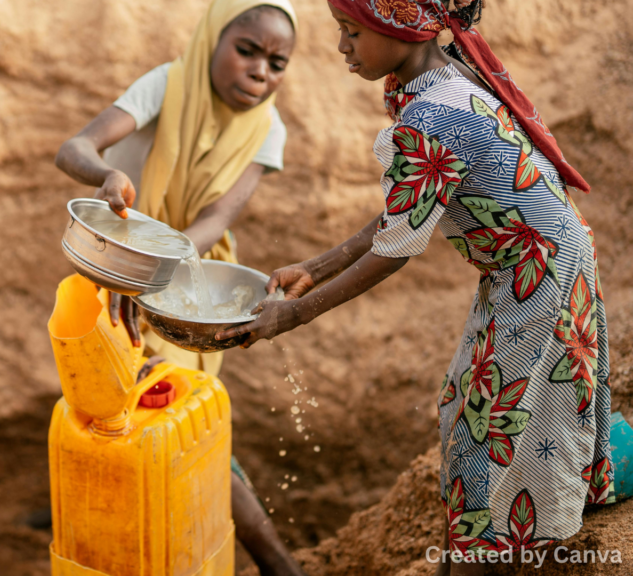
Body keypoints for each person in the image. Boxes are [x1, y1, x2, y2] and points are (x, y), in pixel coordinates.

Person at [217, 1, 614, 574]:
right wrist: (317, 265)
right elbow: (404, 211)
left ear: (397, 29)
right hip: (533, 266)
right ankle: (483, 549)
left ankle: (494, 553)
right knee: (469, 406)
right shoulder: (439, 80)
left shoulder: (432, 116)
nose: (341, 47)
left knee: (489, 427)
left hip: (539, 278)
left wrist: (294, 314)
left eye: (351, 32)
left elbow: (395, 249)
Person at [54, 1, 307, 574]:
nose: (260, 71)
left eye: (277, 62)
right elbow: (74, 149)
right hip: (114, 275)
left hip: (189, 289)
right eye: (246, 50)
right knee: (122, 413)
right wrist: (105, 176)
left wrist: (159, 264)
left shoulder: (269, 131)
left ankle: (272, 564)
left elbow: (217, 219)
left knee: (177, 413)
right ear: (213, 39)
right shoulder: (167, 84)